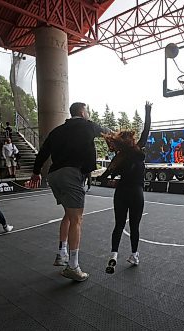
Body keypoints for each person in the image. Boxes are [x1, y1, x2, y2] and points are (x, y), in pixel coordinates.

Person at [27, 102, 110, 282]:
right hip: (72, 173)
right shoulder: (88, 125)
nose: (88, 113)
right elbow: (108, 132)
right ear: (82, 112)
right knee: (77, 219)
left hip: (55, 175)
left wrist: (35, 173)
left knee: (69, 215)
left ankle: (61, 253)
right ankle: (73, 267)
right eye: (87, 110)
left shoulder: (56, 131)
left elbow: (42, 153)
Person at [99, 102, 152, 274]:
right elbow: (146, 131)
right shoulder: (138, 150)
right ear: (133, 140)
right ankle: (134, 255)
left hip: (121, 192)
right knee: (134, 227)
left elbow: (102, 177)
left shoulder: (118, 159)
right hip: (137, 193)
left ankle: (114, 254)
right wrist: (148, 111)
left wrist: (108, 178)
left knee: (119, 225)